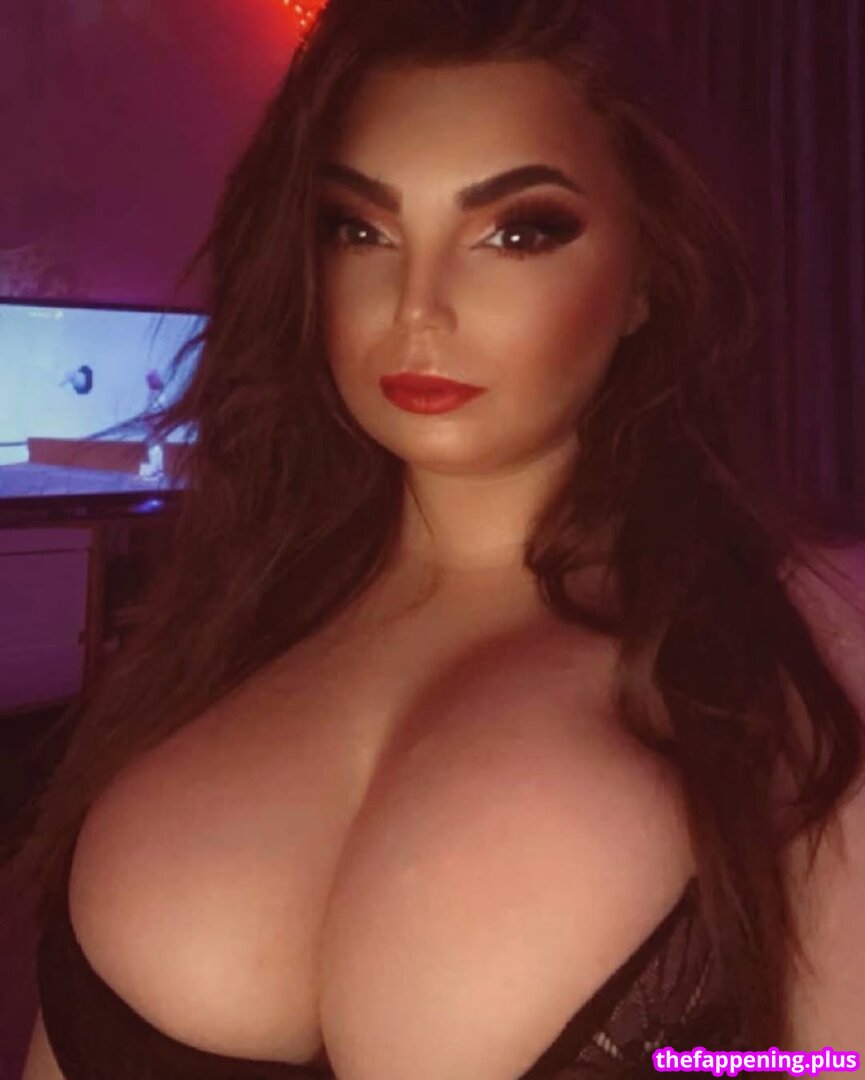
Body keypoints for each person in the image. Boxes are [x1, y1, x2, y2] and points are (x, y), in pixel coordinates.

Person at [8, 0, 865, 1077]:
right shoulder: (220, 625)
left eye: (518, 232)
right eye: (359, 229)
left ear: (649, 272)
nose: (418, 309)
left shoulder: (806, 650)